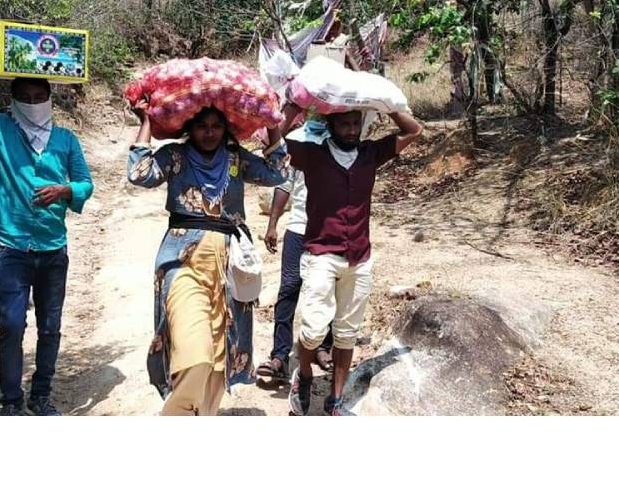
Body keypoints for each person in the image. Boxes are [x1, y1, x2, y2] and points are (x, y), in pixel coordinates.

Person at [0, 21, 94, 416]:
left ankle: (41, 397)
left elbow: (85, 183)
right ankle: (11, 403)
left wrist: (65, 191)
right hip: (12, 247)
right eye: (25, 96)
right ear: (13, 99)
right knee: (11, 326)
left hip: (52, 249)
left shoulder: (66, 140)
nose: (33, 101)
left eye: (39, 95)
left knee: (50, 328)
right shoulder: (0, 127)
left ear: (50, 96)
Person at [127, 99, 288, 416]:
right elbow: (139, 173)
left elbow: (277, 173)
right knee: (195, 355)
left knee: (217, 360)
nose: (209, 133)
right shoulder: (175, 156)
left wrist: (272, 122)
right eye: (202, 126)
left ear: (226, 129)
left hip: (229, 270)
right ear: (189, 127)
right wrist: (146, 120)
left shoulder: (236, 160)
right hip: (183, 264)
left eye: (216, 126)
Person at [281, 103, 422, 415]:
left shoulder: (370, 153)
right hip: (321, 253)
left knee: (346, 333)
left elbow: (413, 131)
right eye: (344, 124)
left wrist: (390, 106)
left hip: (359, 257)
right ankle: (303, 375)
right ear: (330, 126)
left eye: (355, 123)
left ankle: (336, 398)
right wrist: (291, 109)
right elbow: (274, 144)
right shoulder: (312, 155)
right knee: (314, 328)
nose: (351, 130)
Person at [256, 119, 334, 380]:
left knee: (327, 289)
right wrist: (273, 224)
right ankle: (279, 356)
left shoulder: (342, 136)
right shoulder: (297, 139)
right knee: (289, 288)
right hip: (299, 228)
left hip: (329, 230)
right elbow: (285, 184)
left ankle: (324, 348)